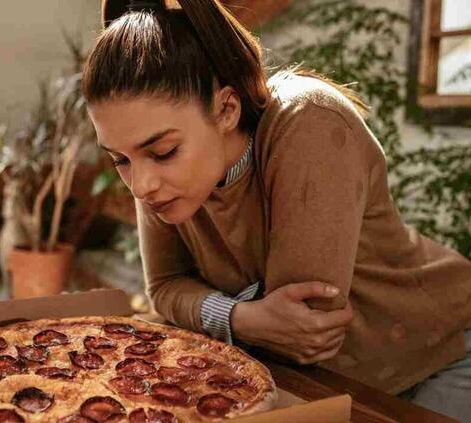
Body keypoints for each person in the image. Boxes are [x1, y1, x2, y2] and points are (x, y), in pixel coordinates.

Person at [81, 0, 471, 420]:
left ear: (227, 110)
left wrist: (209, 308)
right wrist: (242, 317)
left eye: (163, 151)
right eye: (120, 160)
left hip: (440, 354)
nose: (141, 186)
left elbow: (304, 329)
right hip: (329, 383)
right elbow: (163, 288)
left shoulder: (308, 121)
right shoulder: (164, 183)